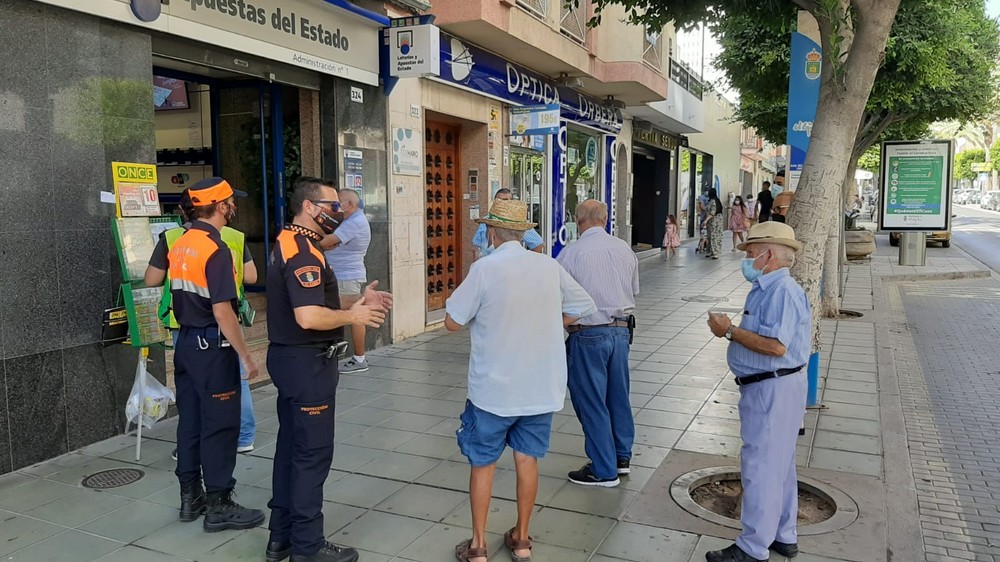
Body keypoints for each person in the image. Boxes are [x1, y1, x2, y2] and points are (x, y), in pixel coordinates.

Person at [445, 199, 596, 562]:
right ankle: (522, 540)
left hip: (493, 390)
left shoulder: (485, 268)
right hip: (540, 388)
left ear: (492, 232)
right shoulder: (548, 266)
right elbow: (584, 305)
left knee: (483, 464)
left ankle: (478, 546)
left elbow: (452, 321)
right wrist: (548, 321)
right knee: (527, 461)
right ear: (525, 233)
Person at [264, 177, 391, 562]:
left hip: (289, 360)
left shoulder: (290, 241)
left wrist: (356, 298)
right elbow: (307, 315)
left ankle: (281, 537)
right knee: (311, 455)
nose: (339, 212)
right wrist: (352, 313)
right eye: (332, 206)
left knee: (291, 449)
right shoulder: (304, 252)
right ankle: (307, 546)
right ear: (309, 207)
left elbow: (312, 298)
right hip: (306, 364)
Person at [705, 222, 811, 562]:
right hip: (772, 385)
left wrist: (729, 331)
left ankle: (753, 547)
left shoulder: (782, 292)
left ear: (769, 255)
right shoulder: (767, 288)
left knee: (762, 466)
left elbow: (776, 347)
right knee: (779, 464)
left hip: (773, 386)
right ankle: (783, 533)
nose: (747, 260)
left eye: (751, 254)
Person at [165, 177, 265, 532]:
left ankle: (190, 498)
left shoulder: (180, 243)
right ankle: (219, 504)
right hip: (212, 347)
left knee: (190, 423)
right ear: (221, 206)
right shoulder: (216, 248)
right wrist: (246, 354)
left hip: (187, 345)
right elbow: (223, 311)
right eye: (230, 202)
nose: (233, 207)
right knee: (221, 426)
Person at [145, 190, 259, 463]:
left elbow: (151, 279)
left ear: (183, 213)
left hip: (182, 322)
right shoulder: (235, 237)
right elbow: (252, 276)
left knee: (194, 392)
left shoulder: (172, 238)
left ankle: (194, 447)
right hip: (224, 320)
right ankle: (243, 437)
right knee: (234, 384)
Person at [558, 200, 639, 488]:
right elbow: (634, 290)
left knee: (591, 400)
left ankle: (603, 470)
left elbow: (560, 298)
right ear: (605, 219)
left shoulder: (571, 254)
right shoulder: (623, 249)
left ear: (578, 221)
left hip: (588, 333)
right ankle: (621, 457)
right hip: (620, 331)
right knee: (618, 396)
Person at [319, 188, 373, 374]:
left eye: (337, 202)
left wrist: (322, 242)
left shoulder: (354, 222)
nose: (334, 205)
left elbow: (325, 243)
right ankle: (356, 357)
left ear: (349, 204)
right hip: (345, 275)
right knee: (351, 315)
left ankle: (359, 358)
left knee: (353, 316)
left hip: (345, 276)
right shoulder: (351, 220)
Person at [472, 188, 544, 258]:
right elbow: (477, 248)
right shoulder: (485, 220)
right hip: (486, 266)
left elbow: (538, 245)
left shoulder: (518, 222)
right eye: (499, 200)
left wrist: (523, 263)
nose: (502, 203)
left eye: (506, 201)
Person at [705, 187, 724, 259]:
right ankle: (710, 251)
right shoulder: (716, 200)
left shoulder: (713, 201)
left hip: (714, 221)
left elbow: (712, 213)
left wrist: (705, 220)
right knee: (710, 236)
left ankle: (715, 252)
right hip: (715, 221)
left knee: (714, 236)